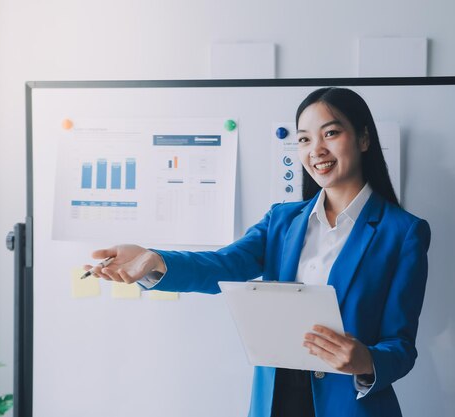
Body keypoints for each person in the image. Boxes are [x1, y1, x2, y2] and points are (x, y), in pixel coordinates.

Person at [85, 87, 431, 417]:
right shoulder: (282, 220)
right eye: (305, 139)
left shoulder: (403, 232)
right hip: (276, 399)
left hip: (350, 405)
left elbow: (400, 345)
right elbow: (223, 265)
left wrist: (365, 361)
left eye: (331, 134)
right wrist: (154, 260)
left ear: (364, 138)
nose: (316, 150)